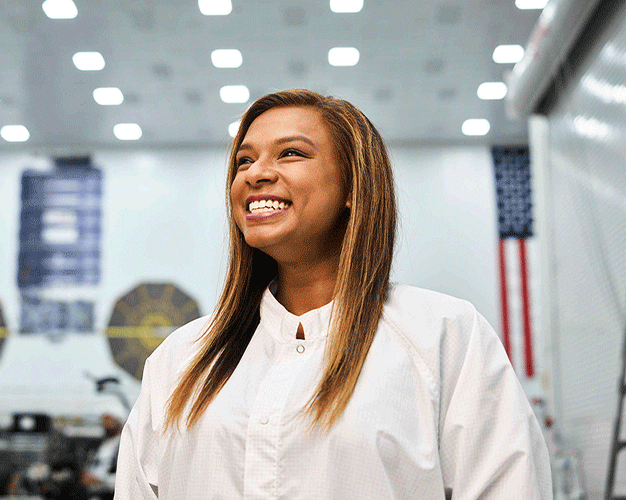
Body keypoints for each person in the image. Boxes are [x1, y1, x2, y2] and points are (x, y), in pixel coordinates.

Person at [114, 89, 552, 499]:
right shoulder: (180, 359)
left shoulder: (443, 337)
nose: (256, 174)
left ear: (352, 187)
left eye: (291, 153)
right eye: (243, 161)